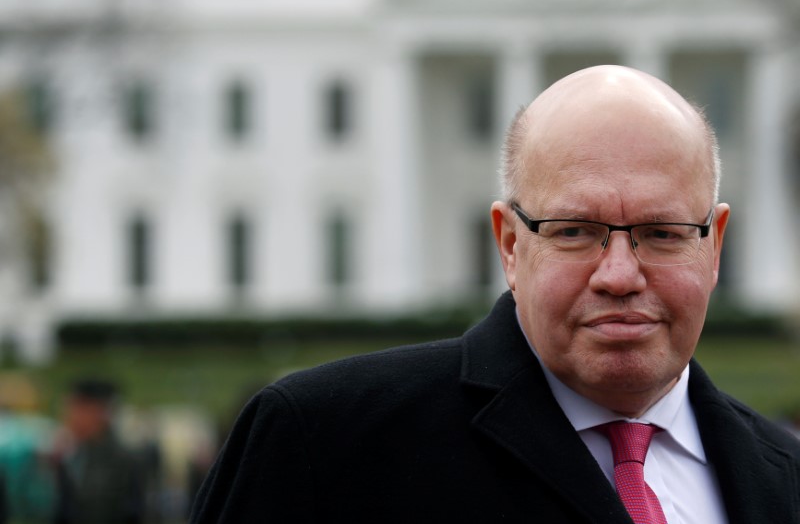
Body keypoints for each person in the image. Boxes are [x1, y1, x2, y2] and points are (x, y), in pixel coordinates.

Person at [190, 65, 800, 523]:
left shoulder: (785, 479)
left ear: (714, 245)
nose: (618, 275)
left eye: (663, 234)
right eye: (575, 232)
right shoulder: (325, 443)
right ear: (510, 244)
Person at [52, 379, 145, 524]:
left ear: (99, 412)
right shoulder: (70, 457)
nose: (69, 416)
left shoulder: (125, 462)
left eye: (77, 408)